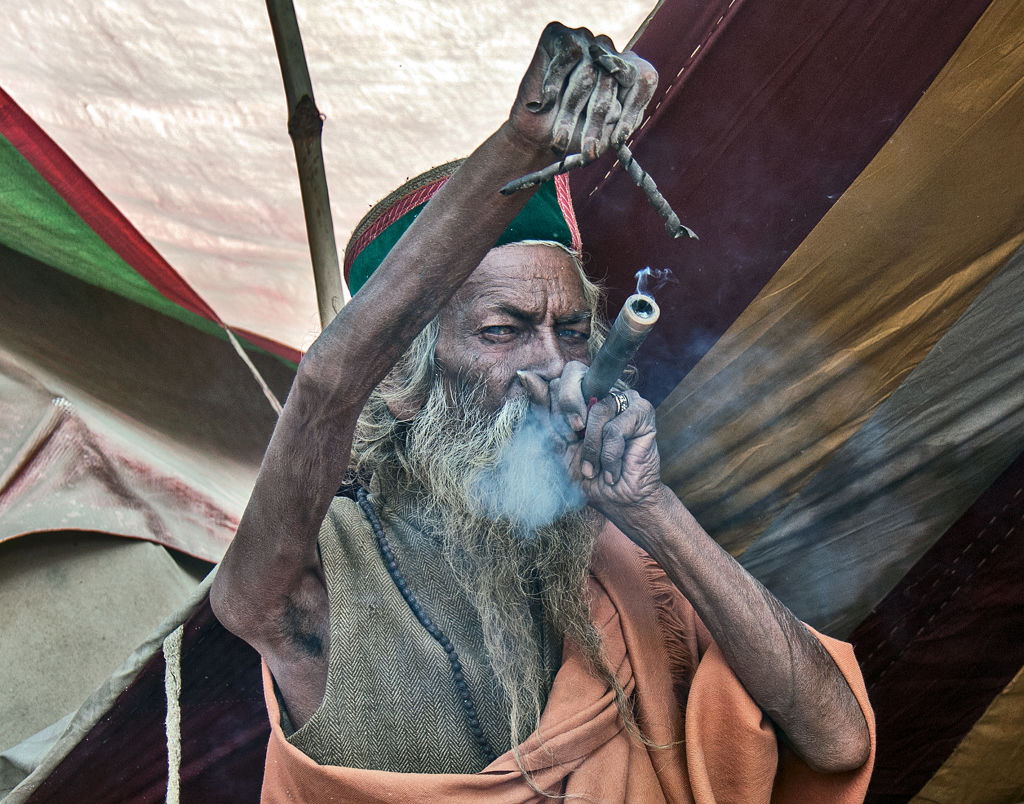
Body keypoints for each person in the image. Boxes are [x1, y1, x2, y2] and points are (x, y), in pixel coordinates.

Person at [211, 22, 874, 802]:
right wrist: (522, 148)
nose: (552, 367)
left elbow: (838, 741)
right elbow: (327, 386)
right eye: (504, 332)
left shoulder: (614, 563)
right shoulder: (315, 580)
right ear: (399, 378)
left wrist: (653, 510)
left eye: (570, 333)